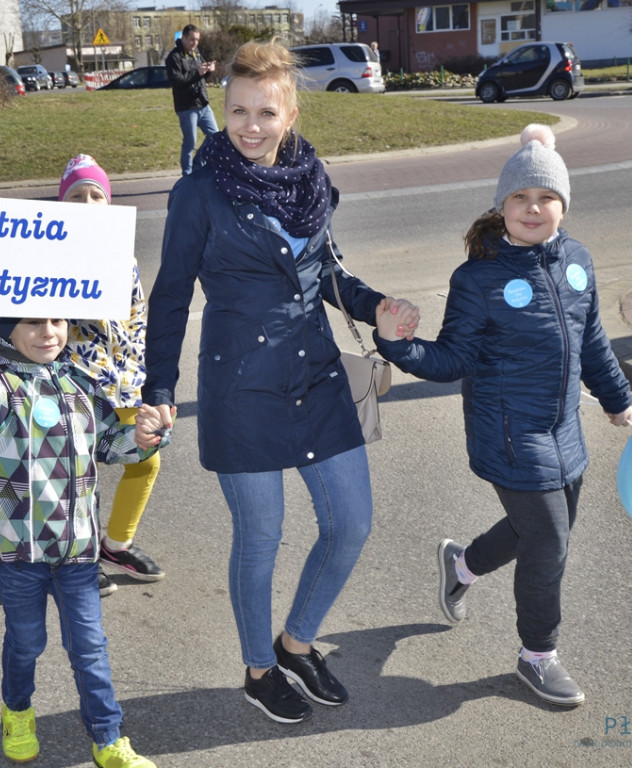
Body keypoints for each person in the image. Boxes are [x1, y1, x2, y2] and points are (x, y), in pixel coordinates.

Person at [144, 41, 420, 724]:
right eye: (237, 110)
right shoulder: (200, 191)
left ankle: (296, 642)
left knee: (350, 523)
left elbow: (330, 275)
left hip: (319, 377)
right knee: (261, 537)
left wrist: (376, 305)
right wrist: (157, 390)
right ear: (223, 107)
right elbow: (171, 297)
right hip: (242, 388)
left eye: (265, 111)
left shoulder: (310, 180)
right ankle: (258, 668)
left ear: (289, 111)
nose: (250, 125)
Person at [373, 124, 632, 708]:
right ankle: (537, 657)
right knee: (549, 543)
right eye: (520, 197)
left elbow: (592, 340)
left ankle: (461, 566)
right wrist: (397, 346)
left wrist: (616, 399)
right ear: (502, 205)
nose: (533, 208)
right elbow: (452, 358)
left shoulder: (577, 261)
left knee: (535, 531)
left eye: (545, 197)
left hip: (564, 426)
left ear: (563, 204)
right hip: (510, 433)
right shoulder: (479, 277)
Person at [0, 315, 168, 768]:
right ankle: (18, 711)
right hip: (19, 550)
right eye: (31, 323)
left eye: (56, 321)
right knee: (26, 641)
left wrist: (144, 438)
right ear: (6, 329)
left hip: (78, 549)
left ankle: (107, 737)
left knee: (89, 647)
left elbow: (111, 443)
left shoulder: (80, 379)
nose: (48, 332)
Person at [57, 155, 166, 598]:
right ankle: (77, 560)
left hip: (124, 384)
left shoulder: (127, 257)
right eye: (76, 196)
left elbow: (138, 319)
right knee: (77, 477)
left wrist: (140, 376)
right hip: (75, 386)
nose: (87, 203)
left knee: (146, 459)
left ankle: (115, 544)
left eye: (95, 195)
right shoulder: (51, 258)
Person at [165, 24, 218, 176]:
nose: (194, 43)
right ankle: (187, 175)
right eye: (192, 40)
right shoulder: (173, 57)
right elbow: (177, 81)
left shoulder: (196, 53)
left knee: (215, 137)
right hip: (187, 107)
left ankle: (197, 165)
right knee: (190, 143)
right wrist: (197, 72)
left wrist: (207, 71)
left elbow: (198, 76)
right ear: (183, 38)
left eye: (197, 40)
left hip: (202, 103)